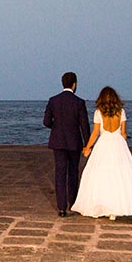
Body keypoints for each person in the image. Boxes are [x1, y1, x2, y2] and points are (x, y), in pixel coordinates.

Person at [71, 86, 132, 220]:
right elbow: (124, 133)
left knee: (101, 175)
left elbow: (95, 133)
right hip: (118, 143)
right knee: (120, 175)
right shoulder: (121, 112)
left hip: (104, 143)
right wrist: (121, 140)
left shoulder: (98, 112)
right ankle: (116, 209)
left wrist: (87, 147)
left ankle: (104, 207)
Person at [44, 72, 91, 217]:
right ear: (74, 84)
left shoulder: (53, 100)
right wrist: (87, 144)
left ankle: (61, 207)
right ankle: (73, 203)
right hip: (74, 141)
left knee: (60, 173)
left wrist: (56, 127)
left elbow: (46, 122)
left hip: (58, 141)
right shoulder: (79, 102)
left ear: (62, 83)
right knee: (73, 172)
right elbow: (84, 126)